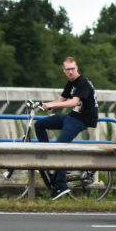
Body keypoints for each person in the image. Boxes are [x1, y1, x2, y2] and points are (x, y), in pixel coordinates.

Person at [35, 56, 99, 195]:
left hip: (81, 120)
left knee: (59, 147)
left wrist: (53, 105)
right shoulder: (70, 83)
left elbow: (73, 102)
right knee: (39, 124)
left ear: (76, 68)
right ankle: (47, 158)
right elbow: (60, 101)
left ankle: (61, 185)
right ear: (64, 70)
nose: (70, 72)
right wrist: (43, 104)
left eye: (72, 69)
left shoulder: (82, 82)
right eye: (67, 69)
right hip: (71, 117)